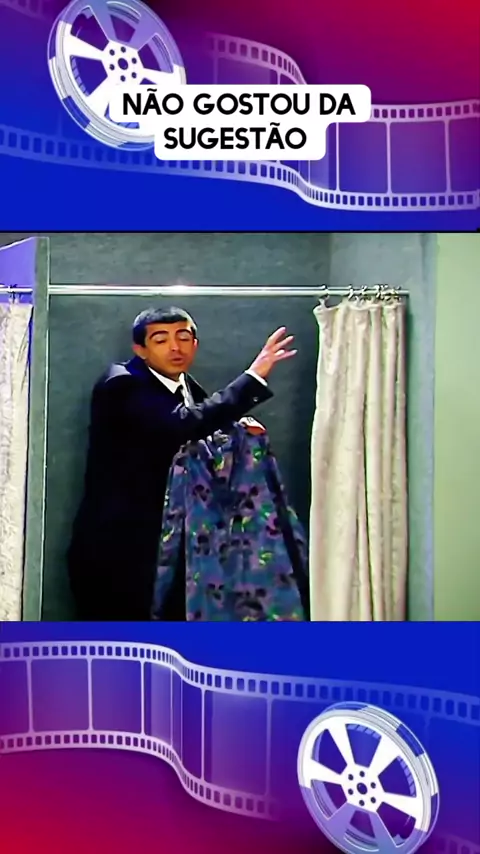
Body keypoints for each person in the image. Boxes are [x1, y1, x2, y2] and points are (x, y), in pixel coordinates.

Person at [67, 306, 297, 621]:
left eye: (183, 338)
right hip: (121, 553)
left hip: (176, 549)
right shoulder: (120, 383)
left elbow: (205, 422)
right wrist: (254, 376)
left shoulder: (186, 386)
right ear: (140, 349)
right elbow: (181, 425)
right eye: (161, 340)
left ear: (195, 344)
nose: (175, 347)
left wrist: (240, 428)